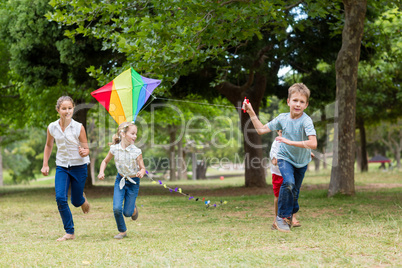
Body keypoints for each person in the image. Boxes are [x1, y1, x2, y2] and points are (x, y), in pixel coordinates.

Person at [244, 83, 317, 233]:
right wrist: (251, 112)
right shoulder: (282, 119)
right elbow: (261, 129)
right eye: (295, 100)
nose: (298, 104)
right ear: (288, 101)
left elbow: (313, 143)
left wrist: (291, 142)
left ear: (306, 105)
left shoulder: (306, 121)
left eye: (302, 102)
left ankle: (290, 213)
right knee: (288, 183)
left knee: (294, 191)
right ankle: (281, 218)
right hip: (284, 158)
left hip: (302, 162)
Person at [41, 96, 91, 242]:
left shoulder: (78, 127)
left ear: (73, 109)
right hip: (62, 166)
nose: (67, 111)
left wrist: (84, 151)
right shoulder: (52, 127)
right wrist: (45, 164)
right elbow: (49, 145)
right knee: (60, 198)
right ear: (58, 110)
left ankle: (81, 198)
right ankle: (69, 232)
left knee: (75, 201)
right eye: (64, 108)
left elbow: (86, 148)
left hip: (79, 166)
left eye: (69, 108)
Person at [98, 122, 146, 239]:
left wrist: (141, 172)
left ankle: (133, 208)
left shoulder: (136, 151)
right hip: (120, 180)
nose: (135, 136)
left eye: (136, 134)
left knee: (127, 213)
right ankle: (122, 231)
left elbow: (143, 168)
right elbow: (105, 161)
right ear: (123, 134)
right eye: (132, 133)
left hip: (133, 182)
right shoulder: (114, 149)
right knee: (116, 208)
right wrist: (101, 172)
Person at [269, 130, 300, 230]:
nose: (284, 133)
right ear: (278, 132)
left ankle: (293, 217)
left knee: (293, 194)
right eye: (281, 131)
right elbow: (274, 161)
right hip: (278, 173)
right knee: (278, 196)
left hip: (290, 171)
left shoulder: (292, 141)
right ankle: (276, 217)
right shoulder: (276, 143)